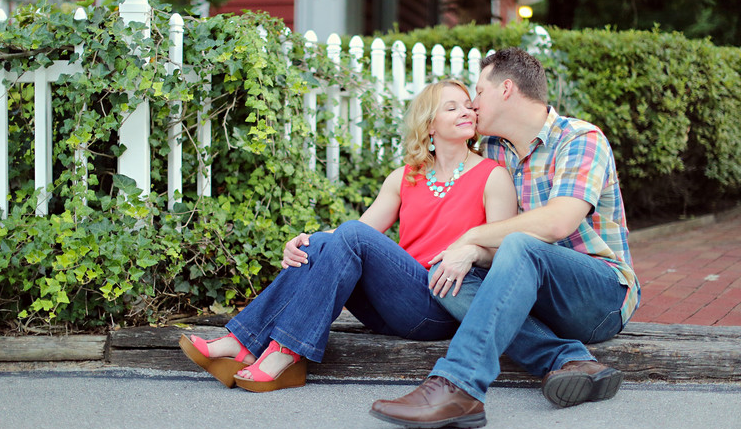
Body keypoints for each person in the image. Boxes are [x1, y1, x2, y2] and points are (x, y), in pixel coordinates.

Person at [179, 79, 517, 393]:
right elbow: (358, 232)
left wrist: (470, 251)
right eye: (452, 107)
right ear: (430, 124)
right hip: (393, 305)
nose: (467, 112)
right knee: (324, 243)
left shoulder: (493, 176)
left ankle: (275, 349)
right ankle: (253, 345)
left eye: (468, 105)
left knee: (349, 234)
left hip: (440, 304)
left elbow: (503, 251)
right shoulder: (405, 177)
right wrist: (306, 240)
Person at [371, 47, 640, 429]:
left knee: (518, 243)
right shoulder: (495, 149)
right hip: (533, 293)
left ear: (506, 90)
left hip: (599, 295)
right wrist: (467, 253)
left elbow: (558, 223)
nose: (474, 105)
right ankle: (566, 359)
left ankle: (458, 386)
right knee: (446, 274)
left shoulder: (580, 139)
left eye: (479, 92)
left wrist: (472, 236)